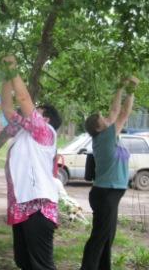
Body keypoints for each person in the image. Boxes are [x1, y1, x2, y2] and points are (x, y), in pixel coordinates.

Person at [0, 55, 62, 270]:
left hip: (38, 207)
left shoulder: (45, 133)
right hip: (21, 207)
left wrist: (13, 67)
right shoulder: (24, 132)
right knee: (24, 261)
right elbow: (8, 108)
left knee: (41, 265)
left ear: (46, 120)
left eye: (38, 113)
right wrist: (8, 75)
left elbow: (24, 100)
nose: (30, 115)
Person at [81, 77, 139, 270]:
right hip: (106, 194)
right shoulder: (105, 138)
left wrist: (119, 86)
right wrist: (130, 89)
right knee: (99, 237)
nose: (107, 119)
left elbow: (114, 112)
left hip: (108, 193)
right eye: (103, 119)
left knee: (108, 235)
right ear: (99, 127)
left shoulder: (105, 136)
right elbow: (121, 113)